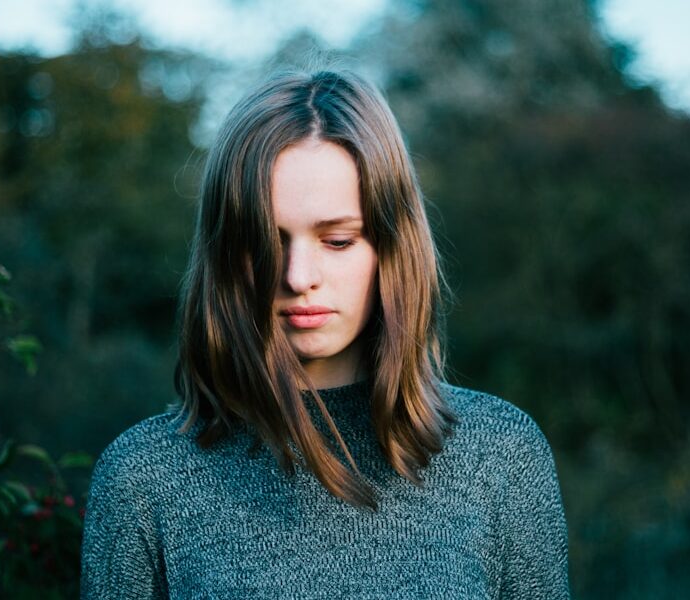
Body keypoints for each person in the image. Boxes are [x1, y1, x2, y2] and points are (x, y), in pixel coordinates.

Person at [81, 69, 570, 599]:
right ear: (226, 255)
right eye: (265, 244)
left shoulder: (500, 455)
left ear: (391, 247)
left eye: (337, 241)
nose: (297, 276)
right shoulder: (143, 477)